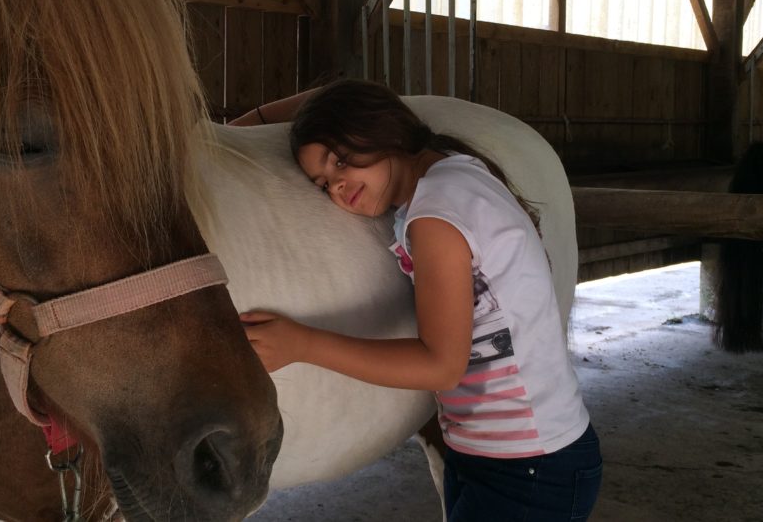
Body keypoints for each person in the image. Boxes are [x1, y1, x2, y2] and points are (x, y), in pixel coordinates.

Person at [237, 79, 602, 521]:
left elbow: (441, 366)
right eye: (322, 183)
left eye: (342, 161)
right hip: (505, 455)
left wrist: (302, 345)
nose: (337, 186)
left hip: (526, 467)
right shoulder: (452, 170)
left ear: (381, 130)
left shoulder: (436, 213)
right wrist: (243, 125)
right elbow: (348, 93)